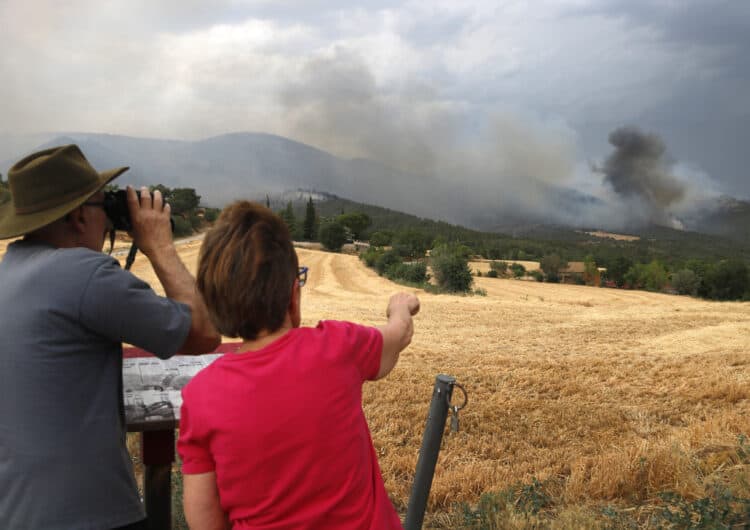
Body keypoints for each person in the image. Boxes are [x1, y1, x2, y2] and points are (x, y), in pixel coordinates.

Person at [0, 144, 221, 529]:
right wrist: (160, 244)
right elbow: (204, 333)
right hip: (89, 514)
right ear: (78, 215)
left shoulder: (9, 271)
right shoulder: (82, 273)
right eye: (105, 206)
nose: (110, 221)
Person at [177, 201, 420, 530]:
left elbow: (205, 521)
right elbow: (399, 335)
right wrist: (400, 305)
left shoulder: (199, 397)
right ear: (293, 294)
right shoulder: (337, 347)